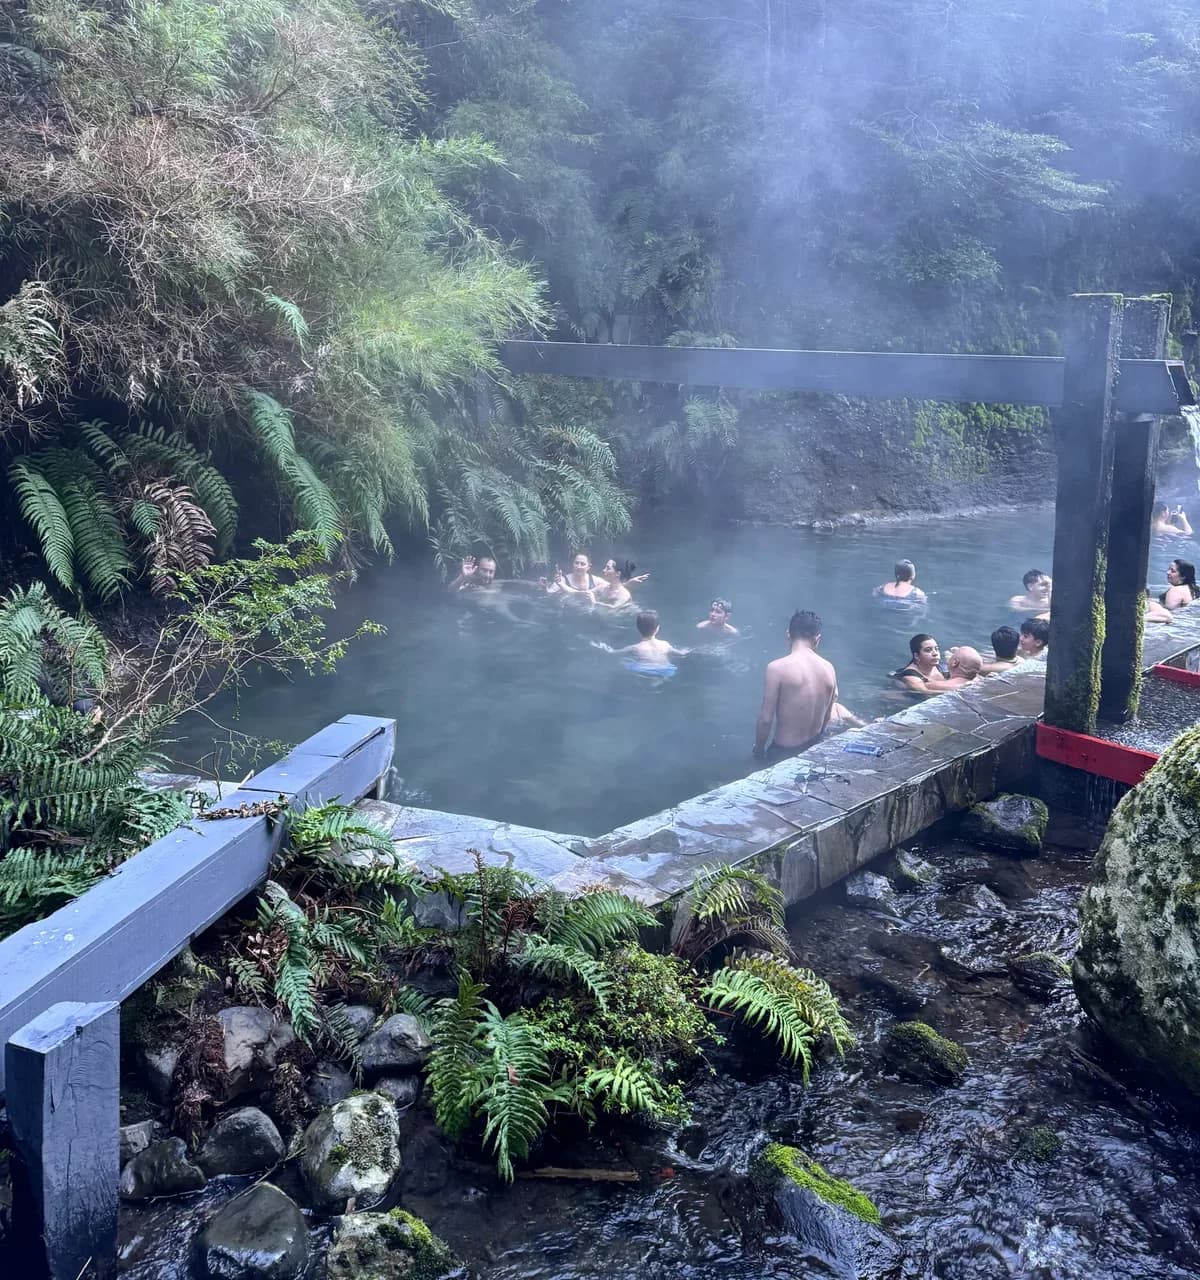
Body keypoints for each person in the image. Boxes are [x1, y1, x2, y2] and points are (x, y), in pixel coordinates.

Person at [753, 610, 863, 761]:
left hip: (784, 751)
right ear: (817, 638)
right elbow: (827, 716)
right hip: (814, 747)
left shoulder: (777, 668)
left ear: (788, 634)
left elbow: (766, 719)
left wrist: (758, 750)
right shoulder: (829, 668)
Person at [596, 610, 688, 673]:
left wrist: (603, 647)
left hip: (644, 669)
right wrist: (686, 650)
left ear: (638, 628)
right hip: (666, 670)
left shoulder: (635, 648)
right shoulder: (665, 644)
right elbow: (681, 654)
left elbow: (613, 652)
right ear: (657, 629)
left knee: (625, 664)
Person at [891, 634, 971, 696]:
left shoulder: (941, 668)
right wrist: (960, 689)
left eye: (936, 649)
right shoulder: (910, 677)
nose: (935, 653)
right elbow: (926, 692)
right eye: (928, 650)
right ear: (916, 656)